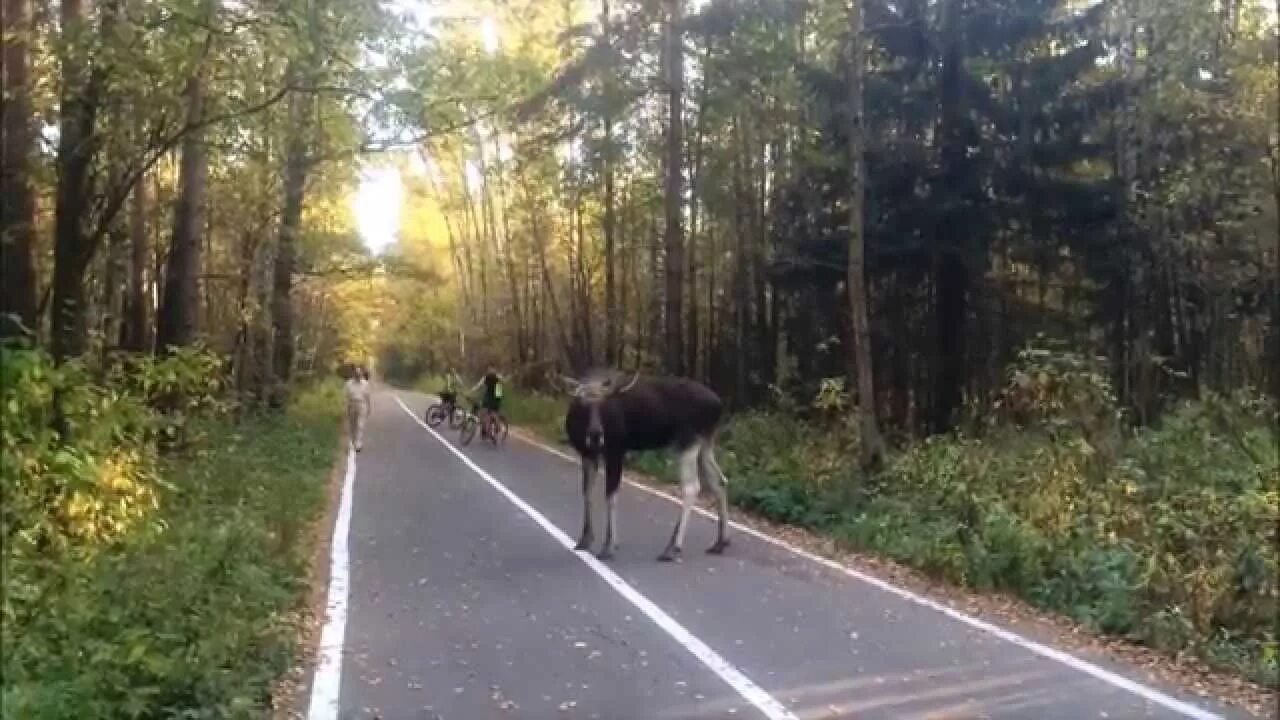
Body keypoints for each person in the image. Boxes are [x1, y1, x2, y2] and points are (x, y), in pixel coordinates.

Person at [468, 365, 504, 438]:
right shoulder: (488, 377)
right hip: (489, 397)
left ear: (494, 370)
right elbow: (480, 385)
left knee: (491, 412)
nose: (490, 370)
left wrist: (497, 399)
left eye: (492, 369)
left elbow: (499, 390)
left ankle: (497, 427)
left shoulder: (496, 378)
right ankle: (486, 430)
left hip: (494, 397)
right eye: (489, 369)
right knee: (485, 413)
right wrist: (473, 390)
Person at [345, 365, 372, 452]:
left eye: (359, 373)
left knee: (360, 425)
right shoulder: (349, 384)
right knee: (352, 425)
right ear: (354, 374)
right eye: (356, 373)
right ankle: (352, 442)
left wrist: (369, 407)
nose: (358, 375)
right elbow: (346, 396)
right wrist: (346, 407)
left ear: (361, 374)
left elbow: (367, 397)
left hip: (362, 404)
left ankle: (358, 443)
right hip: (352, 404)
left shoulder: (365, 384)